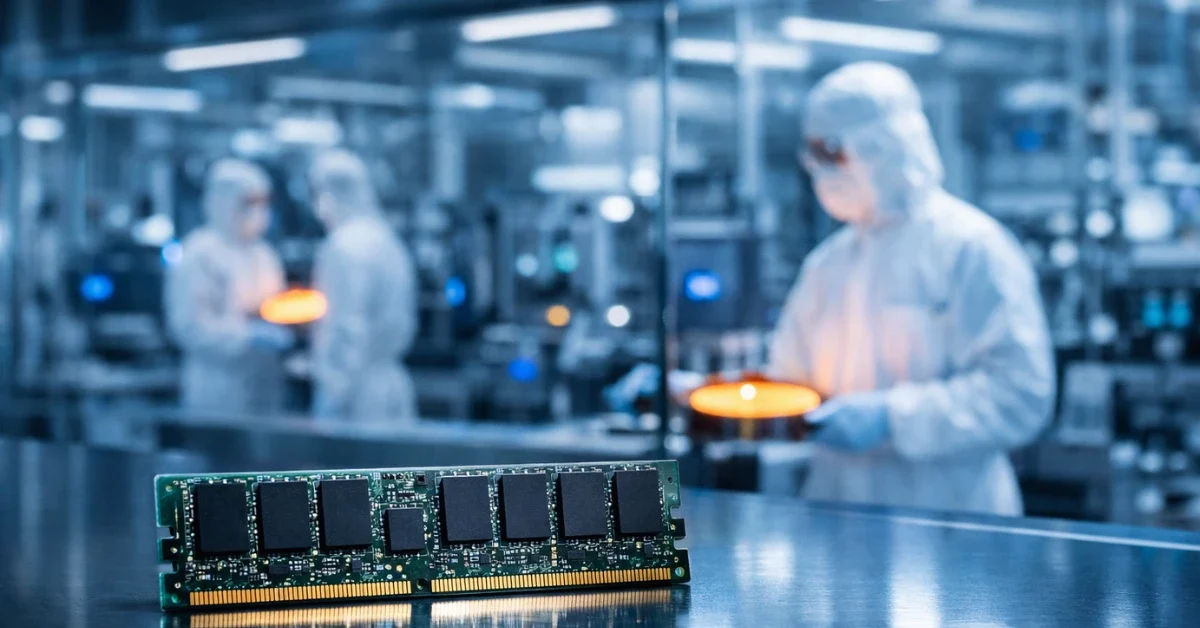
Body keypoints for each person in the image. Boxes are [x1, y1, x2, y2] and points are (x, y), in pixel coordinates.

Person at [770, 62, 1055, 516]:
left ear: (884, 148)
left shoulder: (972, 248)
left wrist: (893, 418)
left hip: (952, 523)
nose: (821, 172)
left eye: (832, 154)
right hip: (838, 519)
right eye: (813, 157)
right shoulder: (828, 265)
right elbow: (787, 381)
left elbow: (1020, 395)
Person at [165, 159, 292, 414]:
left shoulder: (264, 255)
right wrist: (246, 337)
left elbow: (276, 307)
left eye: (263, 203)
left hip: (265, 384)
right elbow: (189, 326)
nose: (259, 211)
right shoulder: (200, 253)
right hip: (217, 386)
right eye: (250, 203)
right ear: (226, 202)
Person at [309, 149, 418, 421]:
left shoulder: (343, 246)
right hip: (391, 385)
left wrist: (333, 395)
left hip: (356, 394)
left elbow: (347, 329)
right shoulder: (387, 239)